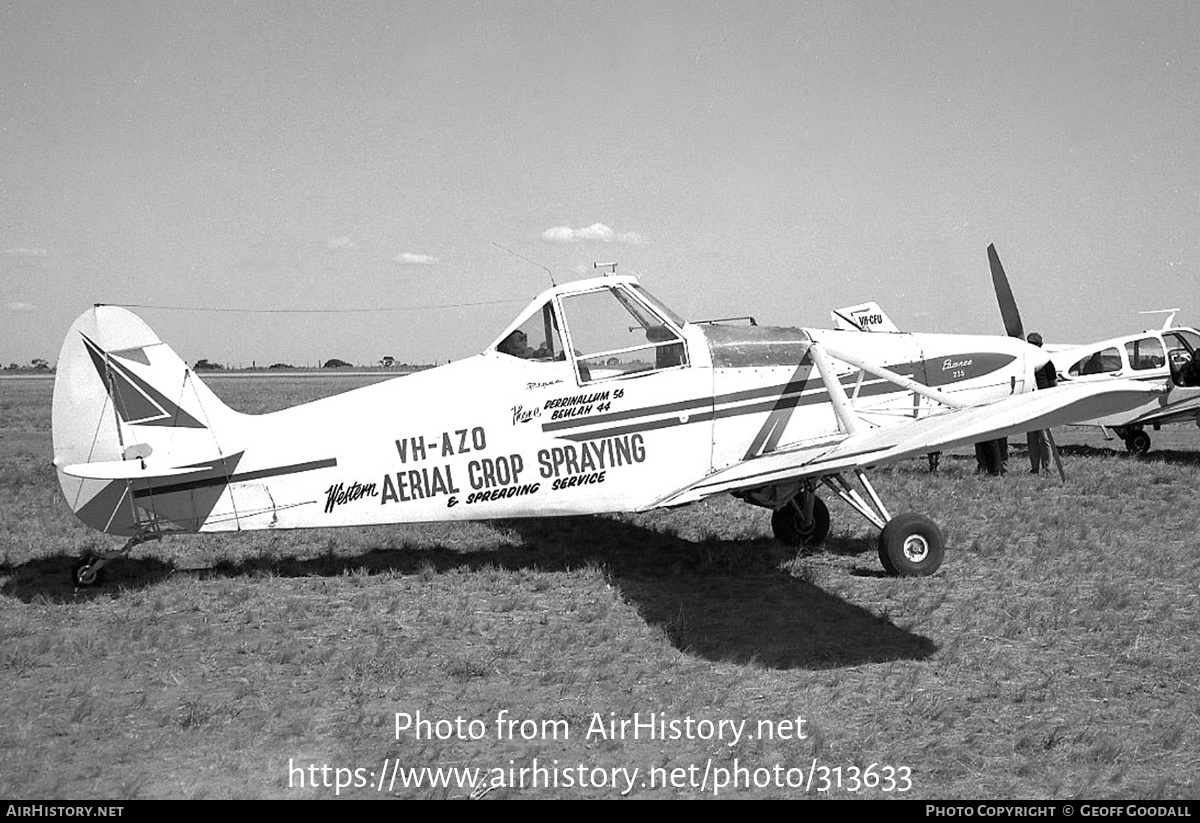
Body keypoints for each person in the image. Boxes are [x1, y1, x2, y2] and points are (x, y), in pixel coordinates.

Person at [1026, 332, 1057, 474]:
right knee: (1032, 437)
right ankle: (1034, 468)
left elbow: (1053, 383)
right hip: (1029, 402)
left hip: (1044, 402)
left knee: (1045, 437)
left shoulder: (1047, 362)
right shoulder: (1025, 362)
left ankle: (1048, 467)